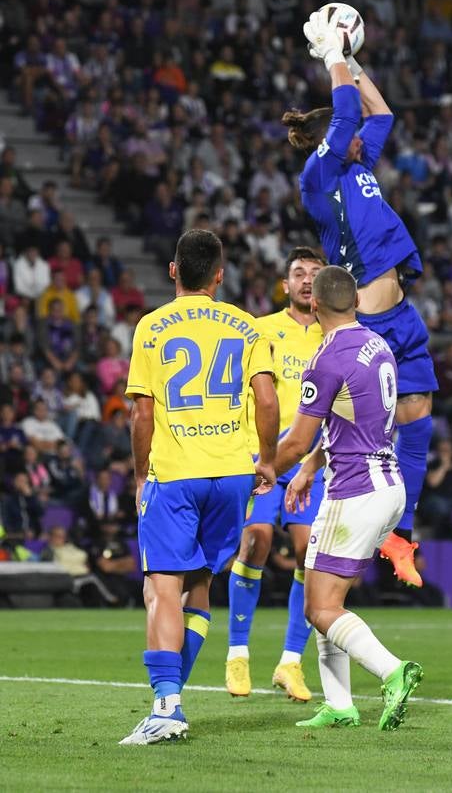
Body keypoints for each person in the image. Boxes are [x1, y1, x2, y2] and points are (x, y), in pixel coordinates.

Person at [281, 8, 437, 586]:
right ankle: (340, 525)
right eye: (345, 135)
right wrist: (334, 56)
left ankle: (401, 539)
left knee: (419, 416)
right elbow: (348, 110)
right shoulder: (317, 178)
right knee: (363, 430)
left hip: (403, 312)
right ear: (331, 140)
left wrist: (355, 57)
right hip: (368, 321)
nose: (357, 138)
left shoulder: (359, 163)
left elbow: (382, 111)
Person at [118, 229, 279, 746]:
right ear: (219, 276)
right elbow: (269, 402)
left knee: (160, 588)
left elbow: (143, 411)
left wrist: (142, 472)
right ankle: (168, 701)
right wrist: (269, 461)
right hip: (233, 473)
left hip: (178, 471)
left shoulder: (152, 326)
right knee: (201, 583)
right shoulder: (245, 324)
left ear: (172, 271)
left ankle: (167, 705)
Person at [273, 266, 423, 731]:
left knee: (320, 607)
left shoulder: (327, 358)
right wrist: (308, 470)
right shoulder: (378, 345)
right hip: (386, 483)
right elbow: (348, 421)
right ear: (356, 301)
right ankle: (339, 703)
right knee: (324, 598)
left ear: (314, 306)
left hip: (353, 491)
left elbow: (296, 439)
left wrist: (262, 472)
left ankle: (392, 671)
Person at [225, 246, 326, 701]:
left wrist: (314, 461)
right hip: (265, 460)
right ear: (285, 285)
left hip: (312, 463)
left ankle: (290, 662)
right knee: (257, 540)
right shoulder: (259, 331)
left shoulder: (337, 335)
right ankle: (237, 654)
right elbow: (244, 397)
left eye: (315, 274)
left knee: (310, 554)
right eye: (299, 274)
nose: (307, 280)